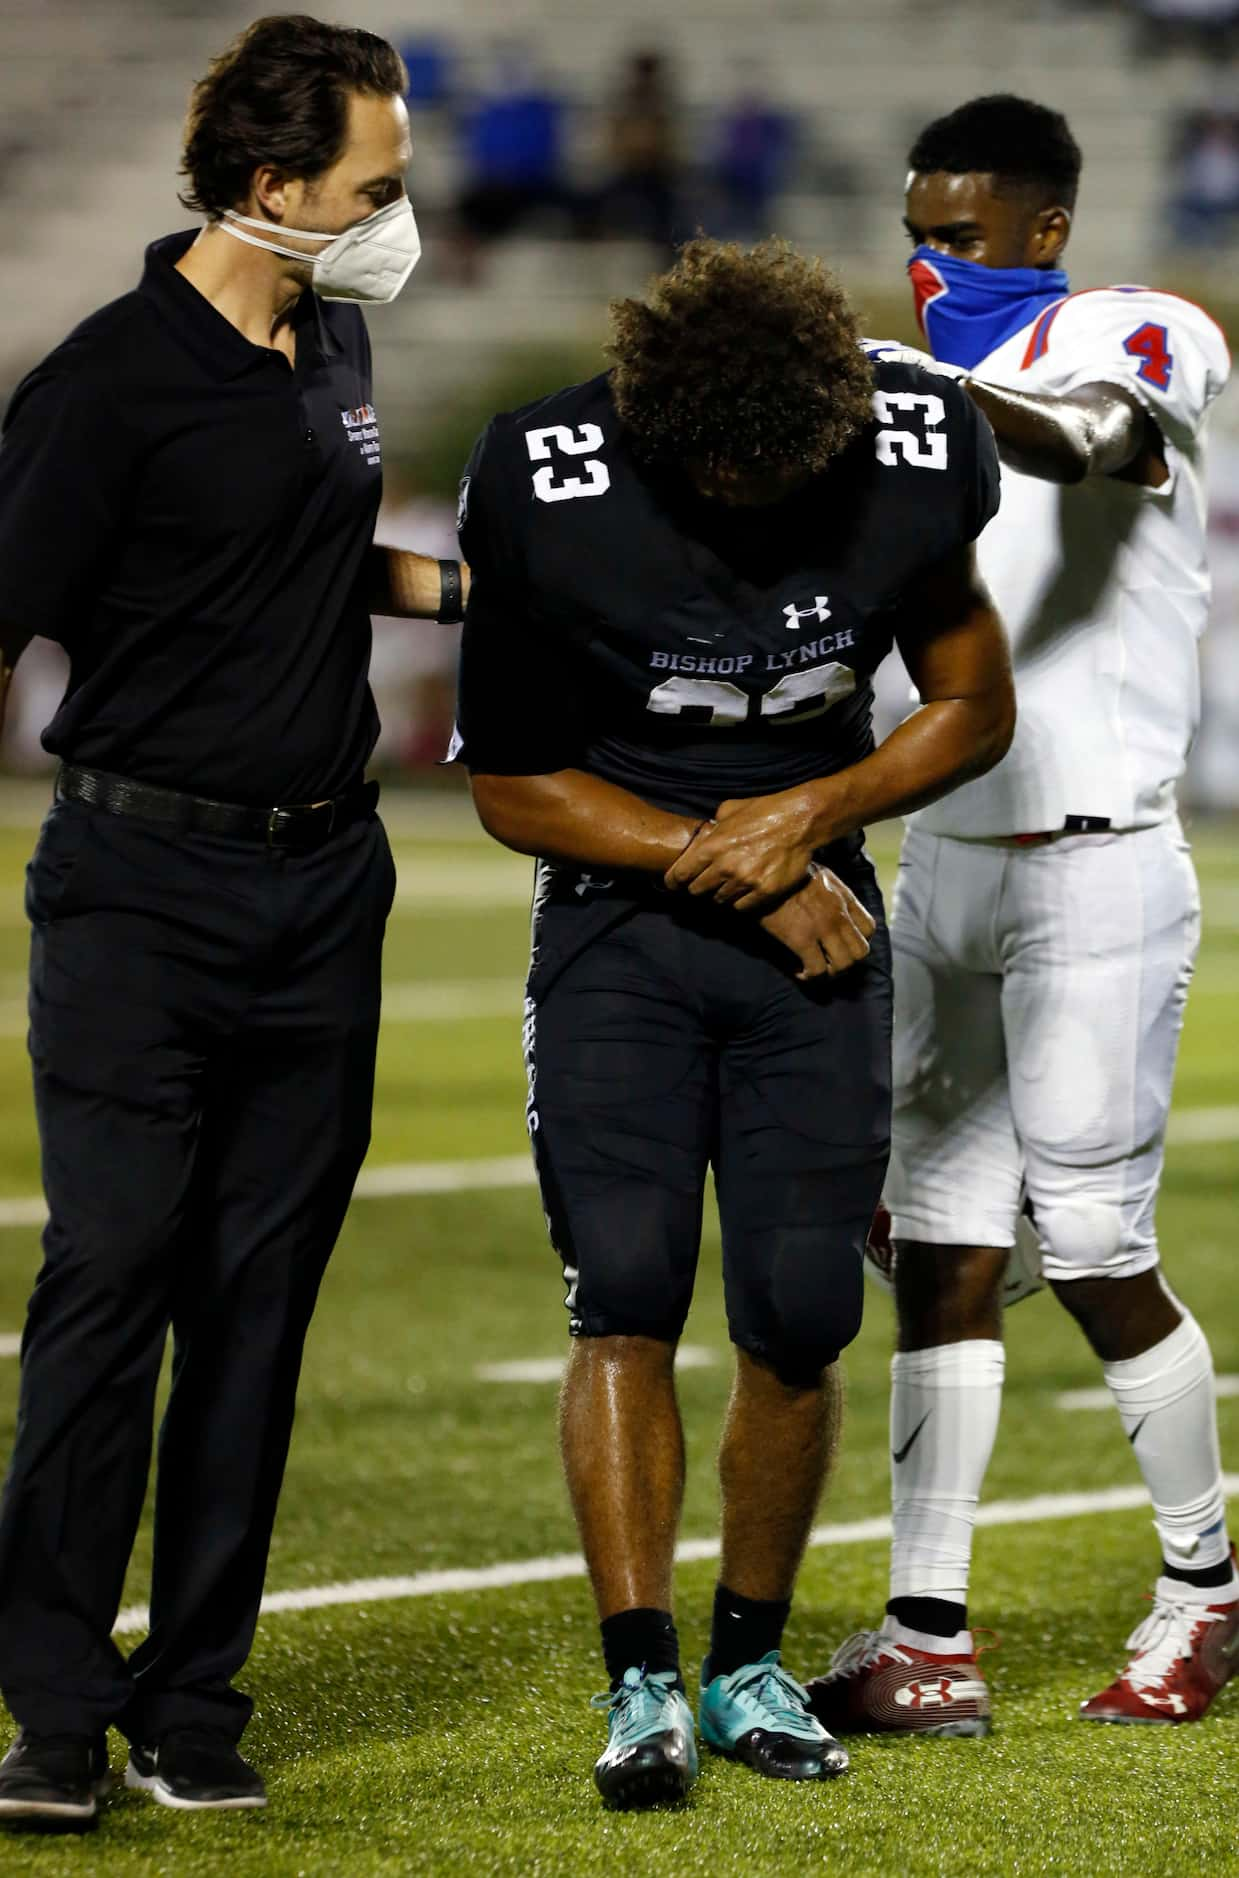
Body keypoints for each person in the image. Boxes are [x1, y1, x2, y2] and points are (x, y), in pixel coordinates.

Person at [452, 234, 1015, 1808]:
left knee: (796, 1309)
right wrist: (755, 868)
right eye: (730, 475)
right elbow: (512, 782)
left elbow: (973, 701)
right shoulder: (550, 479)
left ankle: (747, 1657)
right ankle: (638, 1675)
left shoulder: (911, 455)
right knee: (623, 1287)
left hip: (813, 927)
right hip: (625, 929)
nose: (766, 499)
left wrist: (815, 808)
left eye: (797, 469)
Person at [0, 14, 463, 1831]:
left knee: (258, 1310)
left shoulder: (329, 333)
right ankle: (50, 1709)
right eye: (374, 188)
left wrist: (493, 592)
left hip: (322, 884)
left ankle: (193, 1697)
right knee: (107, 1288)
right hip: (139, 891)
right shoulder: (104, 382)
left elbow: (303, 550)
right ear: (275, 191)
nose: (394, 216)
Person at [805, 93, 1237, 1740]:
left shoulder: (1142, 326)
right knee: (936, 1254)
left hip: (1100, 860)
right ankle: (927, 1632)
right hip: (950, 860)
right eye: (916, 229)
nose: (929, 260)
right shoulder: (896, 382)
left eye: (960, 234)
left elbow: (1098, 442)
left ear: (1044, 228)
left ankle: (1201, 1586)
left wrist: (916, 384)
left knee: (1101, 1247)